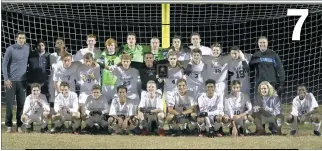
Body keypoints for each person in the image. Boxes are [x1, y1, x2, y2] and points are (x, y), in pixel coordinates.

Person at [2, 31, 30, 133]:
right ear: (16, 38)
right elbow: (4, 65)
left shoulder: (27, 48)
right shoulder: (10, 49)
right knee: (9, 104)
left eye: (23, 38)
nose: (21, 40)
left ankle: (19, 125)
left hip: (22, 82)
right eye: (20, 38)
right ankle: (9, 125)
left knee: (21, 104)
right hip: (11, 81)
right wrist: (6, 79)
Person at [246, 36, 285, 103]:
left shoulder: (273, 54)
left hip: (271, 83)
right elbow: (250, 68)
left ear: (267, 43)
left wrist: (281, 82)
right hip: (259, 83)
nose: (262, 44)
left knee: (272, 103)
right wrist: (245, 63)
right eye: (260, 42)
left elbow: (280, 68)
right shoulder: (255, 55)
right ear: (258, 44)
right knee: (259, 104)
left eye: (264, 42)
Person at [76, 53, 101, 120]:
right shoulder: (80, 68)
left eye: (89, 61)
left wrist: (93, 78)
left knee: (94, 110)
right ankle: (81, 124)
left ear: (92, 60)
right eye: (86, 61)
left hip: (93, 92)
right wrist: (82, 80)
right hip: (84, 92)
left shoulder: (96, 66)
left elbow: (98, 81)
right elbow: (78, 81)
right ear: (84, 60)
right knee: (83, 113)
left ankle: (93, 124)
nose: (88, 63)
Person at [98, 38, 121, 103]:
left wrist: (116, 66)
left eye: (112, 45)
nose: (110, 47)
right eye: (108, 45)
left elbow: (123, 61)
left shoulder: (118, 56)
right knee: (105, 104)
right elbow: (99, 62)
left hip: (115, 84)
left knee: (116, 104)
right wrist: (107, 67)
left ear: (115, 46)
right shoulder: (103, 55)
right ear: (106, 46)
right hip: (105, 84)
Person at [49, 38, 68, 104]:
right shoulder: (52, 55)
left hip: (62, 79)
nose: (59, 44)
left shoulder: (68, 55)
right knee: (51, 96)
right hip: (52, 78)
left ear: (64, 45)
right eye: (58, 43)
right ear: (55, 45)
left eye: (61, 43)